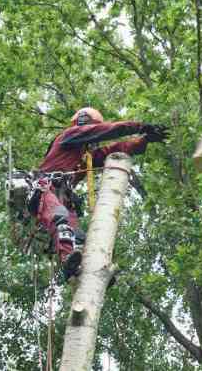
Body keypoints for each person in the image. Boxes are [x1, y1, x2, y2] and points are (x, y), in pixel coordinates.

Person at [30, 107, 167, 281]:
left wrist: (144, 140)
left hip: (62, 198)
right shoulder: (68, 137)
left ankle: (92, 275)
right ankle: (67, 260)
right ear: (83, 124)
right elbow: (104, 131)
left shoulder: (85, 157)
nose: (94, 141)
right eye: (91, 130)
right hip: (45, 190)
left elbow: (115, 149)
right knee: (61, 219)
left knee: (80, 238)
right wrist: (139, 126)